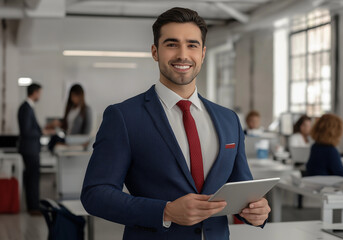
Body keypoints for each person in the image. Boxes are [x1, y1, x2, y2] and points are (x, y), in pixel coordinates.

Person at [81, 7, 270, 240]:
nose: (183, 54)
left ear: (202, 53)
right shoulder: (124, 117)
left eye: (192, 45)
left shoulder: (228, 119)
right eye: (172, 44)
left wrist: (256, 211)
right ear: (155, 52)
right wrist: (166, 211)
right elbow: (95, 194)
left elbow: (241, 189)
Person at [18, 83, 51, 215]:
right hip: (29, 149)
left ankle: (33, 205)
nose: (40, 96)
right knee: (32, 178)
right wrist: (42, 132)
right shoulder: (26, 108)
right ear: (35, 92)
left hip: (31, 148)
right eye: (40, 93)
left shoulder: (28, 107)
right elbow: (26, 131)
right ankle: (33, 207)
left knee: (32, 178)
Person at [47, 84, 92, 151]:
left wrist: (82, 141)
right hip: (67, 137)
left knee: (55, 140)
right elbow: (66, 124)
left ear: (80, 96)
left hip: (76, 139)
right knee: (53, 138)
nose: (73, 98)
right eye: (72, 96)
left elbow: (87, 131)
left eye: (75, 95)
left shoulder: (86, 110)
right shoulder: (70, 108)